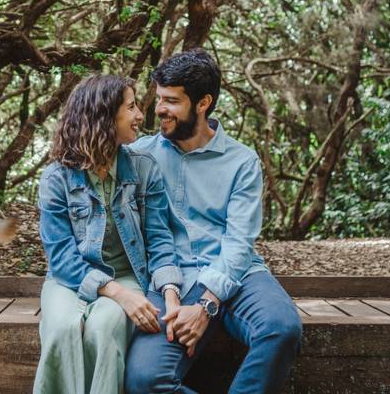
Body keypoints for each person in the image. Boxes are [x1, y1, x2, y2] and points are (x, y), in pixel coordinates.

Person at [125, 49, 302, 394]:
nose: (158, 109)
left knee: (281, 328)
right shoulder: (140, 155)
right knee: (144, 380)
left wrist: (206, 306)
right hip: (170, 282)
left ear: (203, 102)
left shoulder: (242, 162)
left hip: (237, 275)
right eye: (159, 98)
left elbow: (239, 244)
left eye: (171, 101)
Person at [34, 73, 183, 394]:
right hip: (70, 280)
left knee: (104, 326)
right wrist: (115, 293)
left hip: (128, 275)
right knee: (61, 329)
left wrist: (170, 290)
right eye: (131, 107)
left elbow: (159, 238)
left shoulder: (144, 169)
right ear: (103, 116)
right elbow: (61, 257)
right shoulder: (56, 178)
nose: (141, 115)